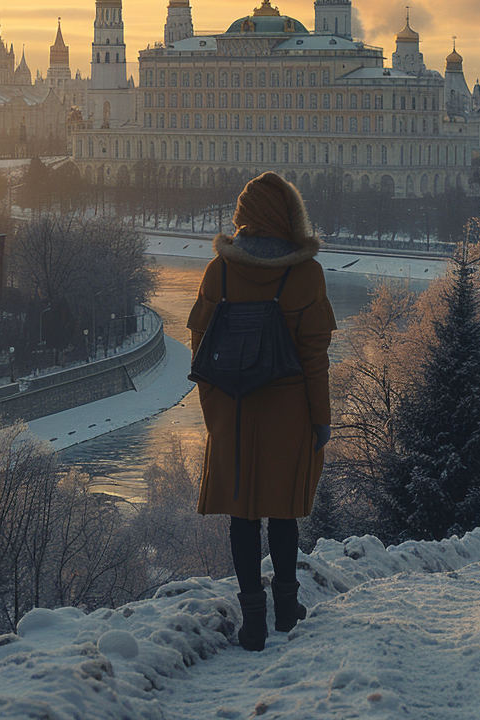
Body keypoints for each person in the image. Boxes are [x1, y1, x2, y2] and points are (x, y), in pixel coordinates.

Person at [187, 172, 336, 651]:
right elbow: (315, 355)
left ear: (246, 215)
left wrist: (215, 411)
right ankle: (286, 611)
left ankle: (253, 622)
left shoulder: (219, 271)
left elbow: (200, 350)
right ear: (289, 214)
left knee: (243, 515)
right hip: (289, 406)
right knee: (283, 511)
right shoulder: (306, 274)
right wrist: (320, 417)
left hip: (233, 405)